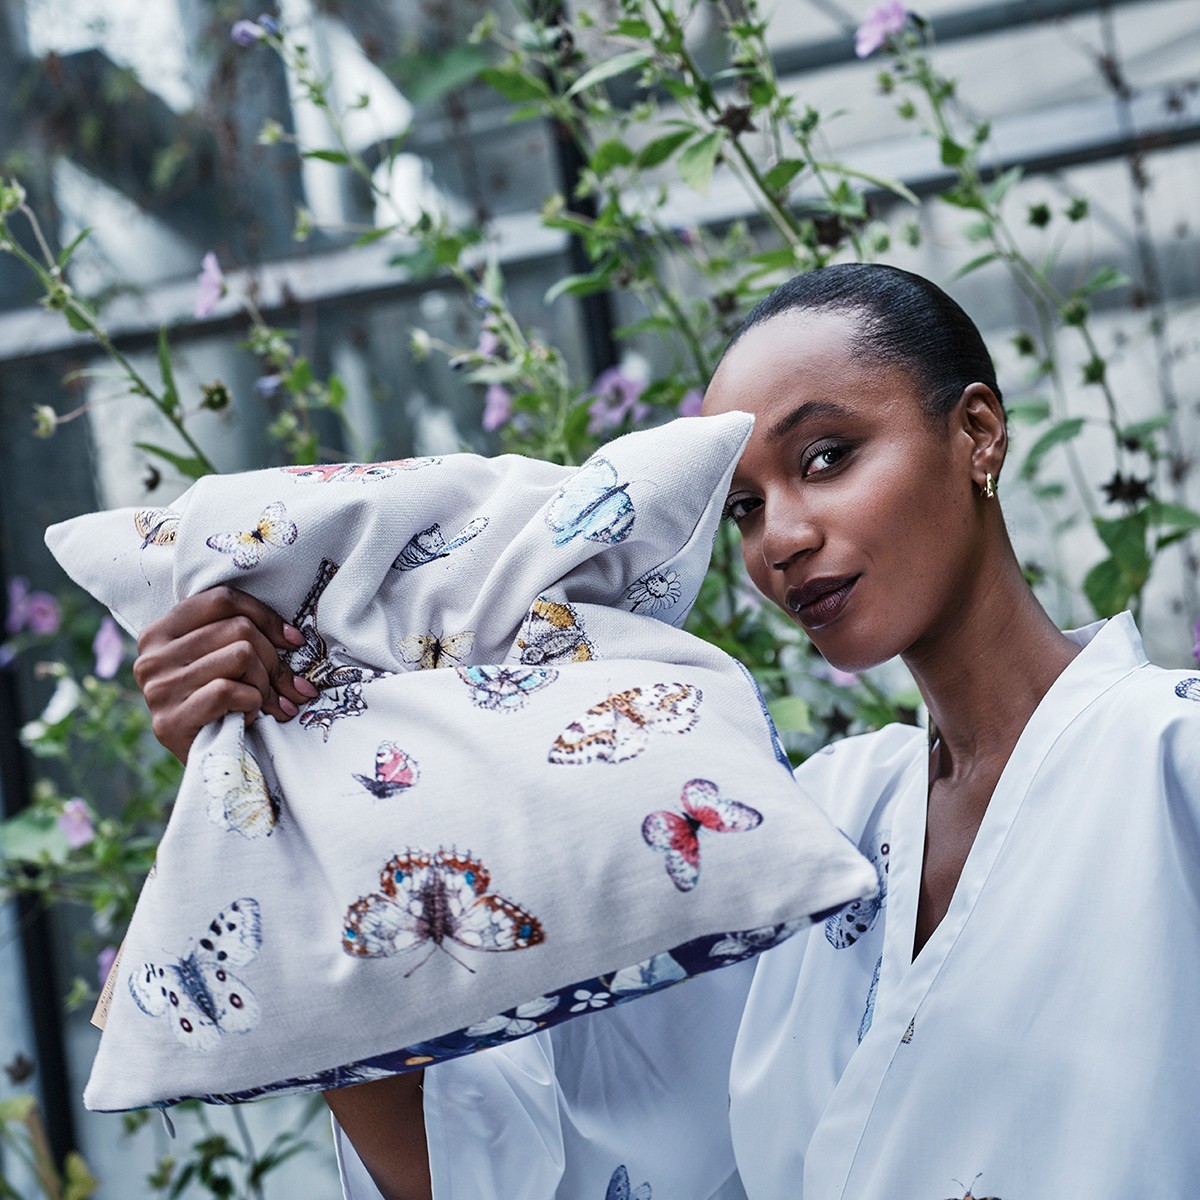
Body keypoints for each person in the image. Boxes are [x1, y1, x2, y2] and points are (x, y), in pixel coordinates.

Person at [133, 264, 1200, 1199]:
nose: (780, 540)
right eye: (744, 506)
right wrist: (271, 771)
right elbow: (515, 1162)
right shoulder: (807, 825)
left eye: (827, 455)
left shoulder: (1172, 761)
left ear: (976, 433)